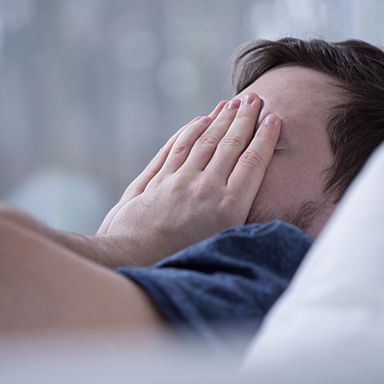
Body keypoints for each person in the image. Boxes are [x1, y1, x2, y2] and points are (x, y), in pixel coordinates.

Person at [1, 38, 383, 348]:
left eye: (252, 140)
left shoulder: (271, 274)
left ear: (359, 201)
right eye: (213, 134)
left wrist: (128, 246)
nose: (195, 171)